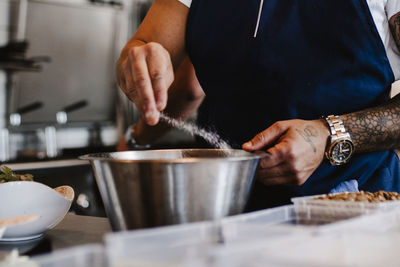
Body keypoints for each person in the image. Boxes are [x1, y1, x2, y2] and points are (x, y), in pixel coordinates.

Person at [116, 0, 400, 209]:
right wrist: (138, 59)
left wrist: (328, 134)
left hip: (352, 210)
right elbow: (144, 48)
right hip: (224, 213)